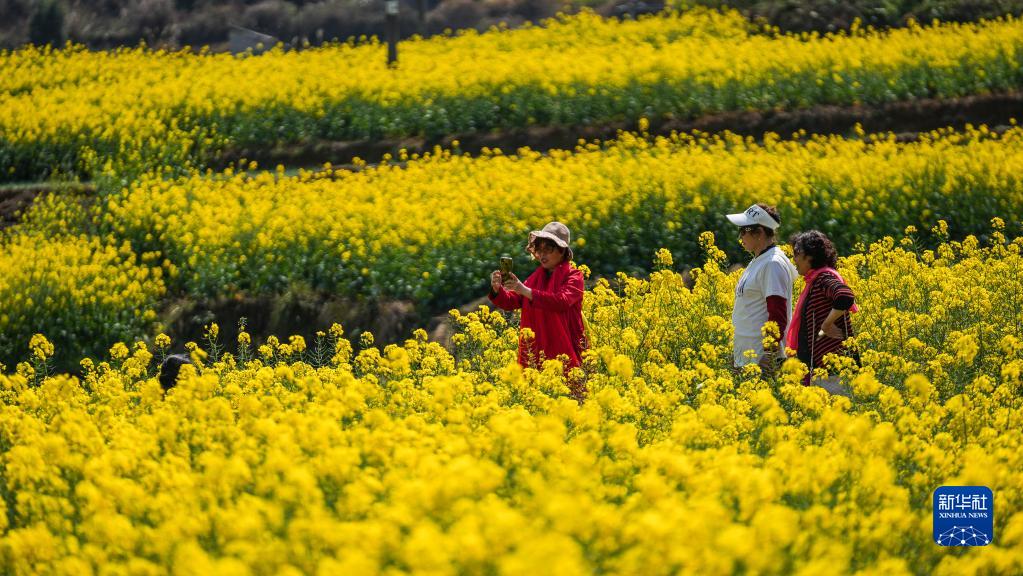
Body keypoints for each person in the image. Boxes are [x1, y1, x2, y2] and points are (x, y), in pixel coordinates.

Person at [488, 221, 587, 399]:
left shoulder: (574, 276)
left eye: (548, 249)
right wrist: (498, 290)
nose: (542, 254)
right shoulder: (535, 278)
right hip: (537, 346)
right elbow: (513, 301)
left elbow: (562, 301)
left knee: (570, 396)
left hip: (563, 345)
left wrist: (524, 290)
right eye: (539, 249)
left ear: (562, 251)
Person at [726, 204, 797, 373]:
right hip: (747, 355)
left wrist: (769, 353)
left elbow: (777, 314)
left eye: (744, 230)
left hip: (760, 359)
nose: (740, 236)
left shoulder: (772, 264)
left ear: (759, 233)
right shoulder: (759, 260)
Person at [786, 230, 859, 394]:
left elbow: (845, 296)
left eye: (797, 253)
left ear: (810, 256)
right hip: (824, 370)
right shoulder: (814, 281)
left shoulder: (824, 278)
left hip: (835, 371)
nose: (794, 259)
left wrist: (826, 325)